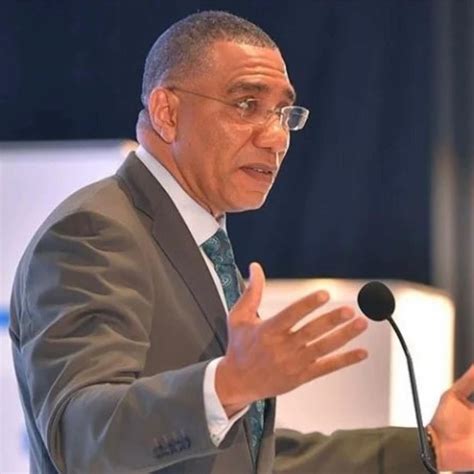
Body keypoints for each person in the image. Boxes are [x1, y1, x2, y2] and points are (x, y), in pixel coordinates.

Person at [9, 10, 473, 474]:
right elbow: (83, 440)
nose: (276, 138)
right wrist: (228, 385)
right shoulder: (95, 231)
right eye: (246, 104)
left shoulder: (200, 244)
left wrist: (431, 447)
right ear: (167, 113)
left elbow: (245, 462)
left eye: (283, 113)